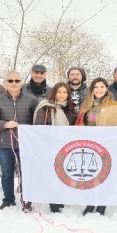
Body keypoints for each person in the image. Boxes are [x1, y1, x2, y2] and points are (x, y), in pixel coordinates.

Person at [0, 71, 38, 211]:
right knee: (7, 173)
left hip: (25, 143)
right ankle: (8, 199)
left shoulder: (31, 99)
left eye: (17, 80)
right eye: (10, 81)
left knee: (25, 172)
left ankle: (27, 199)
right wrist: (4, 124)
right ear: (5, 83)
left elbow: (37, 121)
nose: (14, 83)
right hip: (5, 143)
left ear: (21, 82)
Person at [75, 77, 117, 216]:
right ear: (92, 90)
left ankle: (102, 204)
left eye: (102, 87)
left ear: (106, 89)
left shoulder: (114, 106)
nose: (99, 90)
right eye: (96, 87)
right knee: (90, 174)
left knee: (105, 175)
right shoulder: (86, 105)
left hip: (107, 145)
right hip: (89, 145)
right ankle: (90, 203)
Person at [33, 82, 78, 213]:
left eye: (65, 92)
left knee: (63, 174)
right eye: (59, 92)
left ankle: (61, 198)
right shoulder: (45, 107)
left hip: (66, 147)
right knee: (51, 174)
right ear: (54, 93)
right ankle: (53, 202)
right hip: (49, 146)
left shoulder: (71, 108)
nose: (62, 95)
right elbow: (39, 128)